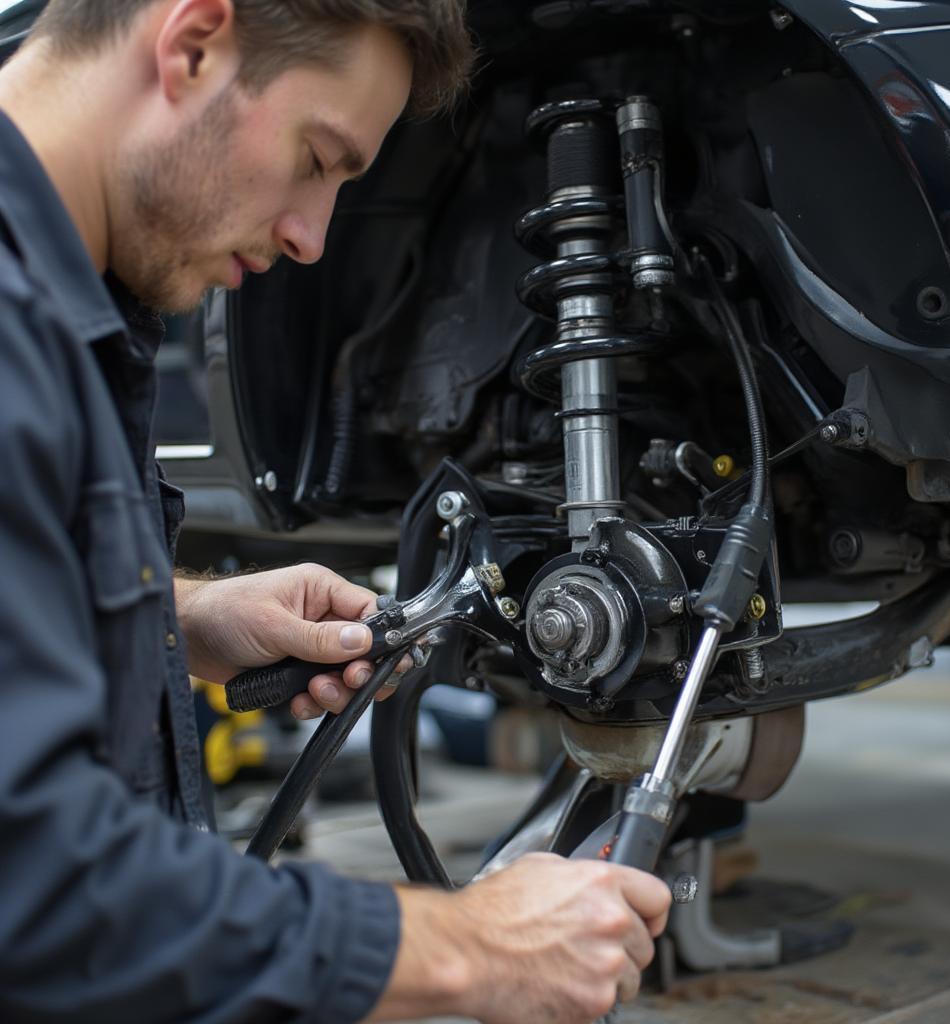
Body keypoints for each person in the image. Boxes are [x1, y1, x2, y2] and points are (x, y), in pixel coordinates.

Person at [0, 1, 672, 1022]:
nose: (312, 240)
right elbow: (39, 891)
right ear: (190, 44)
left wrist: (179, 620)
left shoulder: (63, 292)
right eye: (319, 158)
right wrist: (468, 944)